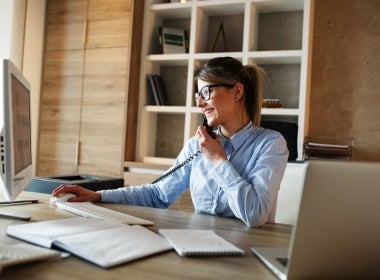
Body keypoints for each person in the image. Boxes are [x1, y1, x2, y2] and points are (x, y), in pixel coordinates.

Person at [52, 57, 289, 227]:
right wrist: (99, 196)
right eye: (198, 96)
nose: (200, 104)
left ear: (237, 92)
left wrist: (219, 161)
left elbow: (255, 214)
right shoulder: (197, 146)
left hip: (247, 255)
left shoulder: (270, 144)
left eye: (206, 92)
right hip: (200, 246)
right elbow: (157, 194)